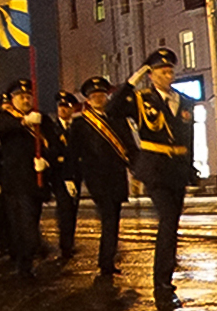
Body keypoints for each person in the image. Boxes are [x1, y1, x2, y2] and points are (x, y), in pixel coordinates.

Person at [127, 49, 193, 309]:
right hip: (155, 171)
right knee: (167, 222)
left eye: (170, 71)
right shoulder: (142, 99)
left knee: (172, 226)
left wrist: (190, 168)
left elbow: (189, 138)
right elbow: (113, 107)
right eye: (162, 71)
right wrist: (135, 78)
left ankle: (165, 283)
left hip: (177, 170)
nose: (168, 75)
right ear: (151, 75)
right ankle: (162, 287)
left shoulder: (185, 101)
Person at [73, 75, 134, 285]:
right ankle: (106, 262)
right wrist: (70, 178)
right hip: (97, 177)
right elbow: (73, 152)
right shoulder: (81, 123)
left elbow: (129, 146)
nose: (99, 98)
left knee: (113, 220)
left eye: (102, 94)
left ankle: (107, 261)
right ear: (87, 100)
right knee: (108, 217)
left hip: (117, 176)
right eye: (94, 95)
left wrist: (136, 168)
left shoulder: (117, 118)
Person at [0, 78, 47, 280]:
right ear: (13, 99)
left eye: (28, 96)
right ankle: (24, 264)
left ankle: (26, 263)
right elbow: (2, 128)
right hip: (16, 184)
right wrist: (24, 121)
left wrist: (47, 162)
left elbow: (52, 145)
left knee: (32, 222)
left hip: (36, 183)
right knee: (25, 228)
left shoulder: (40, 119)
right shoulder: (6, 118)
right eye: (21, 96)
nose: (25, 99)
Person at [45, 91, 81, 263]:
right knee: (65, 209)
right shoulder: (53, 128)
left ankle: (69, 241)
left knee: (72, 210)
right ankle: (65, 245)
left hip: (76, 174)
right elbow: (50, 150)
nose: (63, 110)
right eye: (60, 106)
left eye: (66, 107)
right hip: (59, 175)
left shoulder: (77, 127)